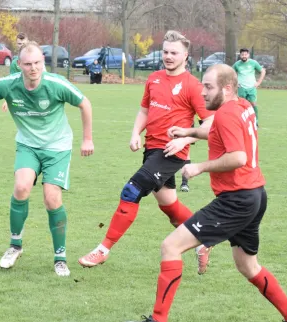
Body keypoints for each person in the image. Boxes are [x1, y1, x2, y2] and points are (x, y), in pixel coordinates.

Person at [121, 64, 287, 322]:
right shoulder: (242, 106)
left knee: (170, 246)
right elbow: (217, 131)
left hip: (236, 200)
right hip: (255, 194)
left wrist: (200, 167)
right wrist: (189, 132)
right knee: (248, 266)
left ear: (226, 88)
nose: (202, 92)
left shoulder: (227, 113)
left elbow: (238, 157)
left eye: (208, 87)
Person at [78, 30, 215, 273]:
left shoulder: (194, 86)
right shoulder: (154, 79)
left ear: (185, 55)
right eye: (165, 52)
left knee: (131, 191)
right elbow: (144, 110)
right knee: (170, 206)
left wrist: (185, 141)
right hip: (152, 150)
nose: (168, 56)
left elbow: (210, 123)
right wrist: (135, 133)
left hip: (172, 152)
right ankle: (205, 238)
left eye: (174, 53)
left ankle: (103, 249)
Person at [0, 41, 95, 277]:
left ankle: (60, 257)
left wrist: (87, 139)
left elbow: (84, 103)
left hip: (57, 148)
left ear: (43, 63)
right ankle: (15, 246)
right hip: (28, 145)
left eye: (37, 62)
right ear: (19, 65)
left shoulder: (55, 84)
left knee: (51, 198)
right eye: (28, 64)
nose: (33, 68)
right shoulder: (9, 85)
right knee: (21, 187)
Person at [233, 48, 265, 125]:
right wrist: (235, 83)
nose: (244, 56)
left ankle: (255, 121)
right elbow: (231, 73)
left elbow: (262, 71)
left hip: (251, 88)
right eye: (242, 54)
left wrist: (258, 82)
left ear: (248, 55)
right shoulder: (237, 64)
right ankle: (241, 121)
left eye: (245, 54)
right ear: (240, 55)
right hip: (241, 88)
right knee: (241, 105)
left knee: (253, 104)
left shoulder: (253, 63)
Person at [2, 32, 28, 112]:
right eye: (19, 44)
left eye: (24, 44)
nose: (22, 46)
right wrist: (7, 99)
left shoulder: (36, 59)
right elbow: (12, 82)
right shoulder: (15, 63)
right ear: (16, 44)